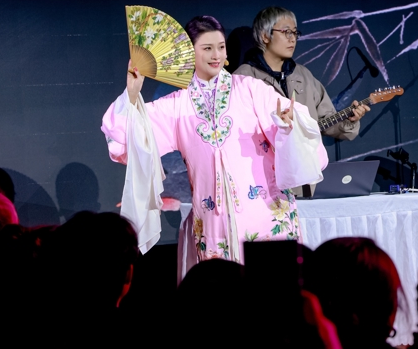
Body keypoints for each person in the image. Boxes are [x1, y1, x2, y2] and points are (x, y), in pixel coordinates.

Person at [101, 14, 327, 261]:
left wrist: (288, 124)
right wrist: (132, 94)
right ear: (190, 53)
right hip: (213, 221)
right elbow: (129, 136)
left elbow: (293, 127)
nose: (216, 55)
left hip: (267, 214)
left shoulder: (250, 89)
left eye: (220, 47)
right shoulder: (178, 106)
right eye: (207, 48)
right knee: (220, 281)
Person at [234, 6, 370, 141]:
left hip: (304, 155)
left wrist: (350, 120)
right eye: (286, 32)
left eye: (295, 33)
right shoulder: (243, 78)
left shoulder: (304, 75)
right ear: (265, 36)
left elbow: (327, 120)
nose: (293, 39)